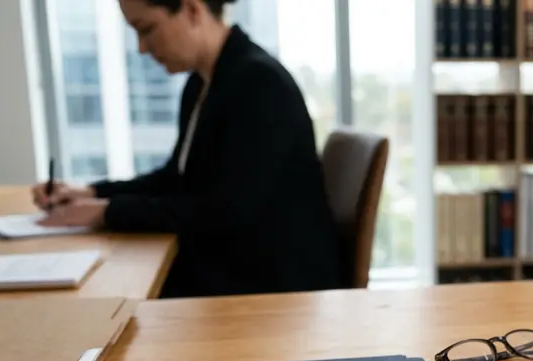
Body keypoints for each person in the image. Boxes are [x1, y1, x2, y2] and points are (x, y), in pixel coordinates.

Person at [33, 0, 342, 298]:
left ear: (192, 10)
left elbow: (226, 213)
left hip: (272, 288)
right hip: (235, 268)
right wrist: (91, 193)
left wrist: (107, 212)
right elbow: (176, 179)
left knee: (108, 295)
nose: (142, 48)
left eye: (147, 29)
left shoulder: (259, 85)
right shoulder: (203, 82)